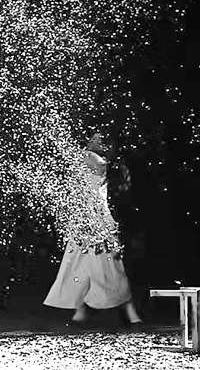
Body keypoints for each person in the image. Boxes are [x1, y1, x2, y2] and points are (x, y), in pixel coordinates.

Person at [44, 131, 143, 325]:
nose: (92, 140)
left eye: (97, 138)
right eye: (92, 137)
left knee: (106, 265)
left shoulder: (94, 159)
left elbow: (89, 165)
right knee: (82, 264)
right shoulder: (96, 160)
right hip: (86, 219)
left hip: (96, 220)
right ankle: (83, 310)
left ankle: (125, 309)